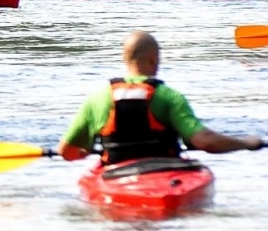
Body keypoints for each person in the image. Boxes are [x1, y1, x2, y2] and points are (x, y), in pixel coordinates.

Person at [57, 30, 263, 163]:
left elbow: (66, 151)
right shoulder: (168, 97)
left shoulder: (98, 98)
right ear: (154, 59)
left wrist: (83, 153)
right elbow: (205, 141)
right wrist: (246, 143)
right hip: (165, 175)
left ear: (124, 58)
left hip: (116, 176)